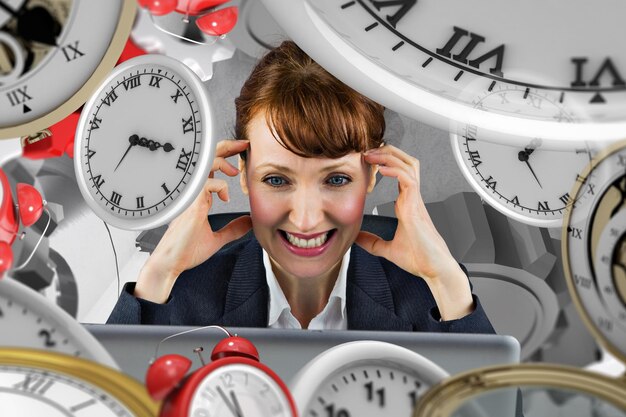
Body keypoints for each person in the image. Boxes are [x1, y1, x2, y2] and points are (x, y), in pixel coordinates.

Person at [108, 41, 494, 333]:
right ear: (242, 175)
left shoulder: (430, 290)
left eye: (336, 179)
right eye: (276, 180)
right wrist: (158, 275)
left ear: (373, 175)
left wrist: (446, 284)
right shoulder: (182, 287)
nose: (306, 219)